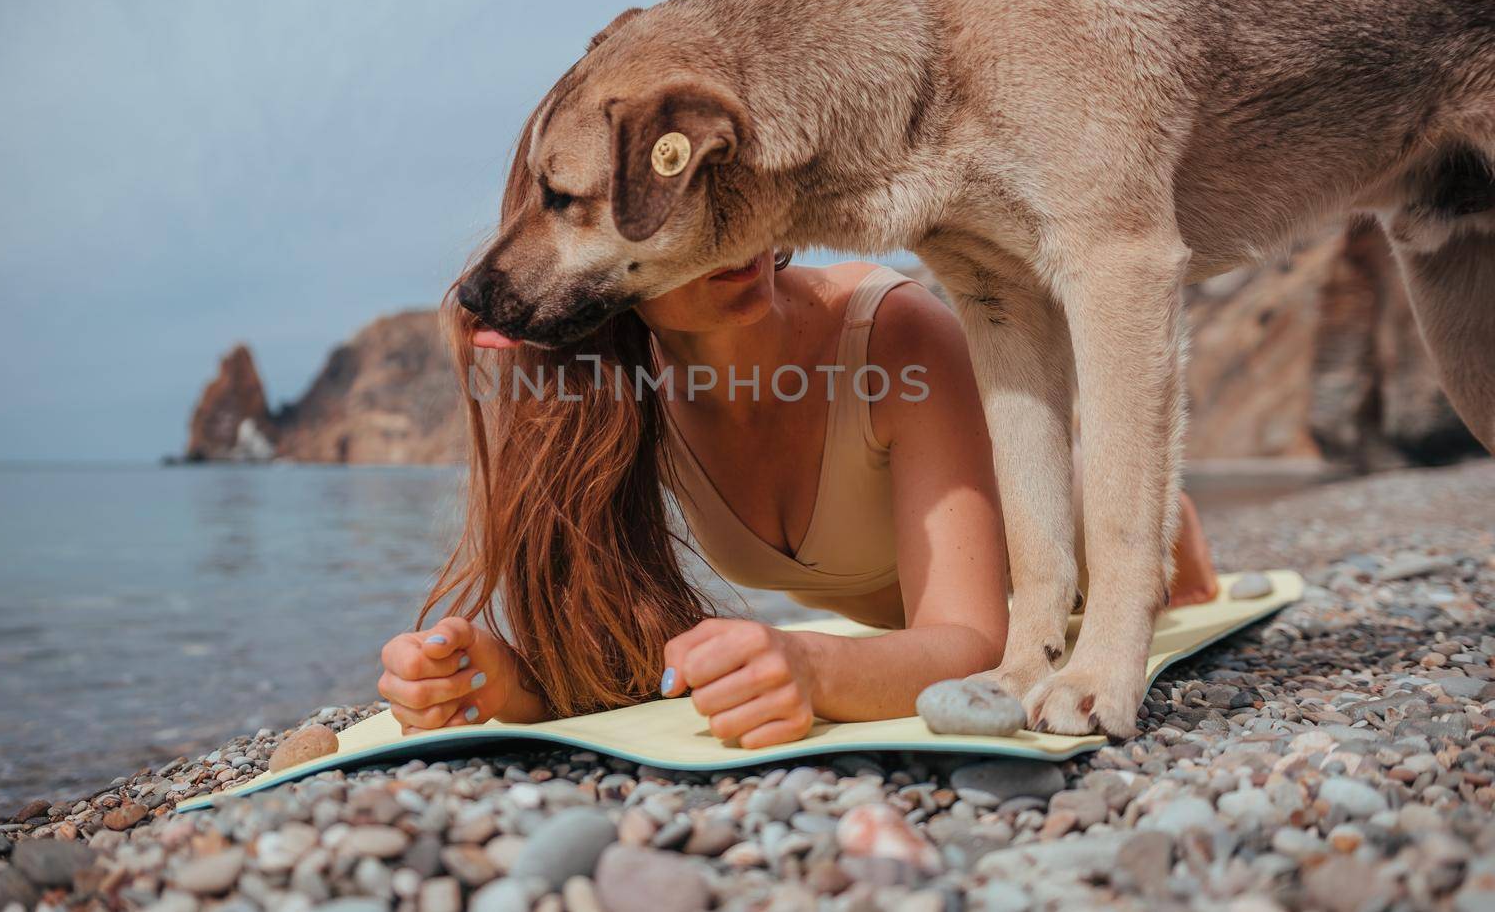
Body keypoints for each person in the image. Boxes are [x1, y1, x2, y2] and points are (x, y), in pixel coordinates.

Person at [378, 233, 1219, 749]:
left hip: (1076, 544)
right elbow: (630, 668)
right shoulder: (620, 395)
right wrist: (506, 684)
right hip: (914, 630)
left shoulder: (893, 335)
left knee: (1173, 581)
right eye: (671, 215)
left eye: (733, 187)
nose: (730, 229)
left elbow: (972, 642)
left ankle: (1163, 518)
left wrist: (811, 666)